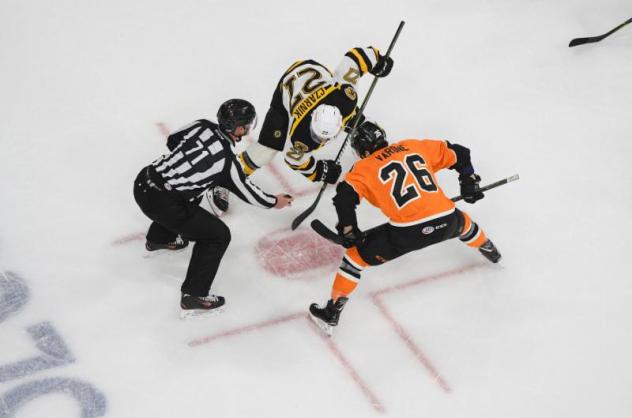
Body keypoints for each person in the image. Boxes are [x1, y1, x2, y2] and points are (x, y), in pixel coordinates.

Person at [308, 121, 502, 335]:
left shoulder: (363, 167)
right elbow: (460, 153)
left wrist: (348, 229)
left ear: (362, 150)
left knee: (355, 258)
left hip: (407, 233)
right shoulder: (412, 146)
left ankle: (331, 313)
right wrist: (468, 180)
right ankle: (492, 253)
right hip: (447, 220)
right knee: (464, 223)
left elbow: (344, 197)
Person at [133, 99, 293, 318]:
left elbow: (173, 140)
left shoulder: (202, 125)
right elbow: (248, 192)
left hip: (143, 181)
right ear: (238, 129)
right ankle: (194, 295)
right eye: (247, 124)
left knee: (191, 193)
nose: (248, 128)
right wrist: (275, 201)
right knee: (217, 236)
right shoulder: (227, 163)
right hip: (163, 204)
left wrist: (189, 165)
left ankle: (159, 239)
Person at [207, 47, 394, 212]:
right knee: (267, 149)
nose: (318, 141)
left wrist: (378, 60)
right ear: (313, 121)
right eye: (317, 136)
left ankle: (368, 146)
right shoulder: (301, 135)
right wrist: (318, 170)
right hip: (288, 88)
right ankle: (220, 179)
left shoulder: (346, 97)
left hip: (317, 78)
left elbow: (357, 57)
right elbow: (292, 158)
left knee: (365, 129)